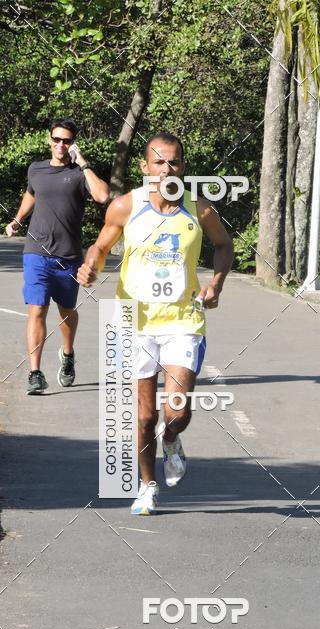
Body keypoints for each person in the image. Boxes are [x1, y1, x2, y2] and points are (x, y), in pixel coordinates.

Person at [77, 132, 234, 515]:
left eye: (175, 162)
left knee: (176, 410)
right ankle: (147, 486)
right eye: (159, 162)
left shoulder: (199, 210)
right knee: (144, 416)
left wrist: (216, 283)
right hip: (134, 321)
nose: (167, 169)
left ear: (183, 166)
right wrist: (91, 266)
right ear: (145, 167)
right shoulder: (126, 206)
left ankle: (173, 439)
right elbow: (100, 245)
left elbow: (224, 246)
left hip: (183, 320)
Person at [5, 118, 109, 394]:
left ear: (73, 143)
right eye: (57, 139)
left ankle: (68, 354)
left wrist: (83, 162)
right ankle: (35, 373)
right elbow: (31, 195)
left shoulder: (79, 174)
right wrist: (17, 220)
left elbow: (102, 196)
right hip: (36, 252)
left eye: (67, 140)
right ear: (49, 140)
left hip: (68, 256)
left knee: (66, 313)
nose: (61, 145)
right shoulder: (36, 169)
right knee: (37, 309)